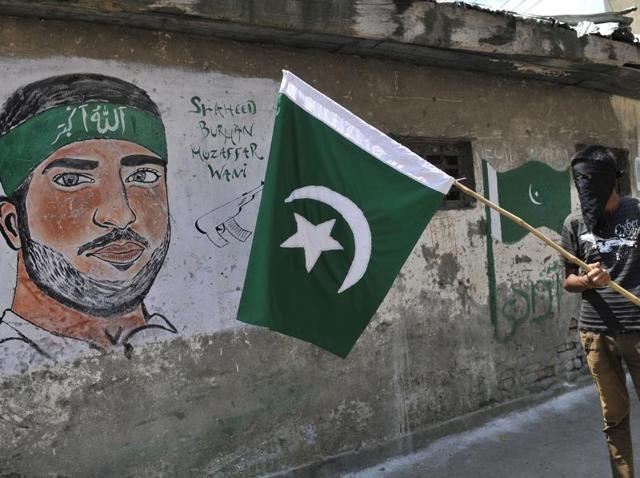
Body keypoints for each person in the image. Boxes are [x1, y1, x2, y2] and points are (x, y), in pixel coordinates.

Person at [0, 74, 176, 372]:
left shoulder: (179, 348)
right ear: (13, 224)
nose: (121, 214)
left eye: (143, 177)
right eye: (72, 180)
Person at [562, 144, 640, 478]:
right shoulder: (573, 222)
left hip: (638, 328)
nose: (588, 201)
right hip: (595, 333)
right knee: (614, 418)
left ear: (612, 184)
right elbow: (568, 280)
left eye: (595, 192)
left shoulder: (637, 211)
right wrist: (589, 281)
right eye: (583, 192)